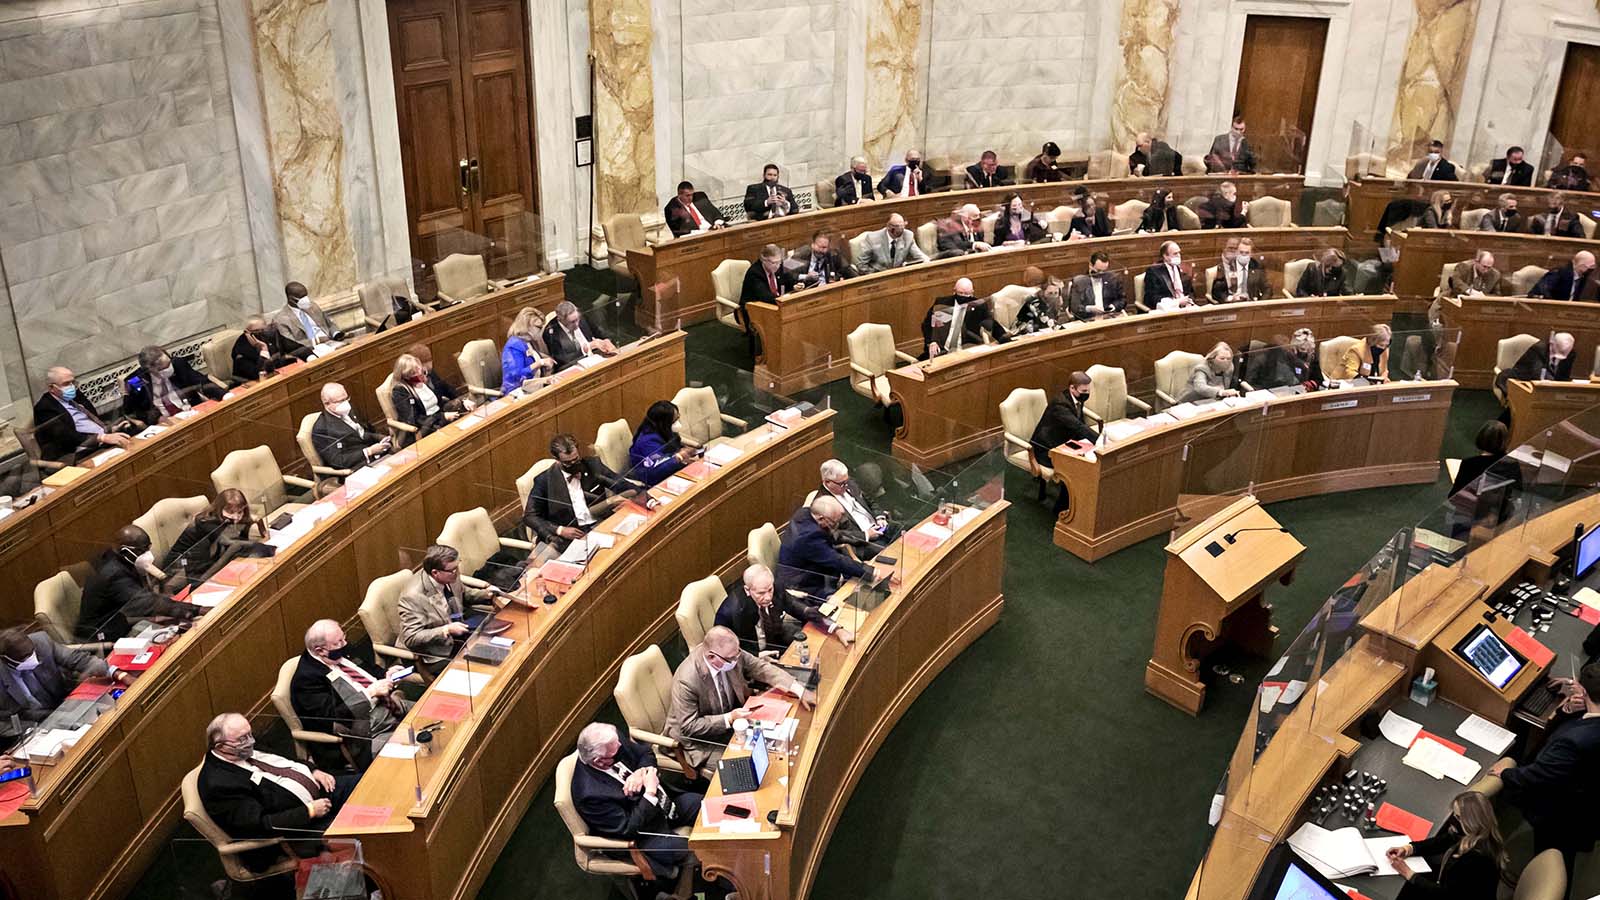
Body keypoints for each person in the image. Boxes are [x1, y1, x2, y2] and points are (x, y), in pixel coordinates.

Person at [197, 712, 358, 866]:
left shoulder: (244, 744)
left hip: (321, 789)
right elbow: (260, 825)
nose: (251, 740)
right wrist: (309, 811)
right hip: (299, 827)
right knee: (361, 832)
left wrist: (313, 770)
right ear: (221, 746)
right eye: (242, 738)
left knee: (367, 786)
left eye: (250, 734)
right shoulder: (219, 784)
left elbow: (286, 761)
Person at [1489, 661, 1600, 880]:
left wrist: (1505, 774)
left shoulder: (1575, 740)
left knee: (1554, 857)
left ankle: (1540, 882)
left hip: (1564, 812)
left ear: (1584, 692)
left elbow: (1537, 775)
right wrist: (1568, 710)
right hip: (1589, 801)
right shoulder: (1586, 728)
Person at [571, 722, 703, 887]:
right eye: (615, 753)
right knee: (696, 849)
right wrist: (650, 792)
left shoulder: (613, 742)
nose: (621, 748)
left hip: (664, 805)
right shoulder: (589, 795)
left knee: (705, 805)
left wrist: (641, 772)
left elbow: (645, 753)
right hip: (644, 835)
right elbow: (628, 828)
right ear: (599, 761)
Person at [666, 626, 815, 768]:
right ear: (711, 657)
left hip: (736, 720)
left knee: (777, 748)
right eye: (732, 659)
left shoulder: (730, 653)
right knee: (749, 766)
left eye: (738, 655)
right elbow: (690, 726)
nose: (736, 661)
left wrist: (799, 690)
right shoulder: (686, 680)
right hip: (701, 741)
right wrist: (729, 718)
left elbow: (760, 667)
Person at [292, 620, 411, 767]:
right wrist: (370, 693)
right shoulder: (306, 680)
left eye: (343, 638)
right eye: (338, 642)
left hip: (391, 705)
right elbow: (335, 715)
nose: (345, 643)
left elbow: (369, 670)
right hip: (369, 732)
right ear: (320, 651)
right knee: (414, 746)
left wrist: (387, 675)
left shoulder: (340, 649)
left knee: (432, 712)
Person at [77, 525, 201, 641]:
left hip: (121, 620)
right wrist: (196, 610)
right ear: (125, 551)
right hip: (104, 635)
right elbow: (147, 602)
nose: (148, 555)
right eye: (142, 551)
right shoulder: (113, 574)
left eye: (148, 548)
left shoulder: (119, 558)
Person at [523, 432, 641, 552]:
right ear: (557, 460)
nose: (573, 465)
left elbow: (621, 484)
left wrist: (647, 498)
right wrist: (560, 530)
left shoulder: (593, 466)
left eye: (576, 460)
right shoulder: (544, 481)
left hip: (600, 524)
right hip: (569, 537)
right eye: (568, 463)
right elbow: (530, 516)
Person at [0, 628, 121, 740]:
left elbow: (80, 659)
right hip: (35, 727)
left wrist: (116, 673)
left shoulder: (41, 642)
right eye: (25, 657)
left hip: (66, 705)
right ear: (5, 659)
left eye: (32, 652)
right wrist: (36, 730)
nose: (32, 657)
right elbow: (3, 724)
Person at [1385, 791, 1507, 900]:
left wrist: (1408, 873)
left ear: (1471, 822)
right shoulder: (1479, 835)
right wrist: (1409, 849)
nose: (1453, 820)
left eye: (1458, 817)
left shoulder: (1474, 859)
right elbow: (1443, 841)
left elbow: (1446, 895)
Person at [397, 544, 496, 674]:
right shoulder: (413, 596)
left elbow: (462, 593)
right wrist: (446, 630)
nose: (457, 572)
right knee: (478, 671)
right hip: (434, 653)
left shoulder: (449, 573)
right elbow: (412, 637)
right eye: (453, 570)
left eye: (457, 566)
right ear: (435, 573)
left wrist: (486, 594)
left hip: (459, 633)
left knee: (496, 648)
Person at [715, 563, 851, 654]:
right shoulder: (731, 611)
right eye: (761, 593)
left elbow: (802, 610)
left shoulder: (775, 588)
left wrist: (836, 628)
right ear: (747, 590)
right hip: (752, 658)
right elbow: (723, 649)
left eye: (770, 590)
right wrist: (756, 656)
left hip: (776, 643)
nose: (768, 597)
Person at [777, 495, 874, 601]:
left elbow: (834, 536)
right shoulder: (808, 537)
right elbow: (836, 560)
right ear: (821, 518)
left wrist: (863, 540)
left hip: (817, 573)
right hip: (804, 587)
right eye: (834, 522)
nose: (836, 525)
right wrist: (870, 572)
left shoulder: (807, 513)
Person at [32, 366, 133, 463]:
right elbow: (66, 437)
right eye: (66, 384)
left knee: (133, 435)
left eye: (73, 382)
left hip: (100, 438)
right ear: (51, 388)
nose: (72, 387)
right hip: (74, 450)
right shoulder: (44, 408)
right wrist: (101, 437)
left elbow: (93, 416)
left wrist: (109, 430)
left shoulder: (76, 394)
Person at [162, 488, 267, 580]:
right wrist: (263, 547)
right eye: (231, 512)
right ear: (220, 508)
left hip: (205, 558)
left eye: (239, 512)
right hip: (180, 566)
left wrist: (254, 523)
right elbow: (231, 543)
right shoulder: (206, 522)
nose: (236, 517)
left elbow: (241, 538)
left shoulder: (228, 519)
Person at [1029, 372, 1097, 511]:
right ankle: (1061, 510)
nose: (1087, 394)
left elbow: (1078, 423)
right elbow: (1077, 426)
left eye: (1088, 390)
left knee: (1086, 462)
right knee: (1073, 469)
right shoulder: (1060, 404)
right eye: (1084, 391)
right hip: (1045, 448)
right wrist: (1099, 439)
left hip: (1063, 441)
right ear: (1072, 388)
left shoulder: (1076, 398)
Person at [121, 345, 223, 425]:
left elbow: (201, 381)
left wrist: (223, 395)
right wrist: (156, 418)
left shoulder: (178, 363)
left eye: (169, 363)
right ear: (149, 369)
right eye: (163, 368)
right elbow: (132, 411)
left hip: (191, 412)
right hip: (164, 423)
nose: (170, 368)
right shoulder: (136, 381)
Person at [817, 458, 899, 555]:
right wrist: (866, 535)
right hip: (863, 542)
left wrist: (880, 517)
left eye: (847, 481)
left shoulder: (850, 483)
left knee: (908, 529)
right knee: (894, 553)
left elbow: (871, 501)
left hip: (878, 526)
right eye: (842, 484)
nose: (847, 486)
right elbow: (834, 534)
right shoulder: (822, 504)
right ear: (827, 482)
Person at [311, 382, 390, 473]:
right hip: (355, 468)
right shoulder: (322, 429)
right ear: (326, 403)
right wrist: (368, 451)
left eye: (346, 398)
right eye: (340, 401)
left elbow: (363, 433)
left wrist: (380, 438)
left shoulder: (349, 410)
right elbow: (337, 461)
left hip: (376, 457)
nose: (346, 403)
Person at [738, 243, 800, 358]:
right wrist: (784, 298)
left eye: (779, 262)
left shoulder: (777, 266)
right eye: (774, 263)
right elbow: (765, 297)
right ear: (764, 260)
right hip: (754, 309)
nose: (777, 266)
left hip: (776, 304)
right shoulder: (755, 273)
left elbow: (789, 280)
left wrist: (795, 286)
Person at [921, 277, 1009, 357]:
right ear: (954, 291)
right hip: (942, 349)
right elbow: (927, 324)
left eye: (966, 294)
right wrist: (932, 342)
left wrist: (1004, 337)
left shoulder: (979, 306)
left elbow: (990, 323)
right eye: (960, 293)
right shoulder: (941, 304)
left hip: (966, 348)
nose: (963, 296)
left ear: (972, 293)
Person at [391, 353, 458, 443]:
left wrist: (463, 401)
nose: (419, 373)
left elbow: (447, 390)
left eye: (418, 369)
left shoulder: (427, 377)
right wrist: (441, 417)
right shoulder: (400, 391)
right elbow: (414, 419)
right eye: (413, 373)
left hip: (440, 418)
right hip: (423, 428)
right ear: (405, 376)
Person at [628, 400, 696, 486]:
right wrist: (679, 457)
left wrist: (686, 453)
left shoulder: (665, 431)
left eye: (678, 418)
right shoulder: (647, 443)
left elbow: (673, 450)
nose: (678, 423)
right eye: (674, 421)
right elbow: (656, 471)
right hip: (654, 482)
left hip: (672, 474)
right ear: (664, 423)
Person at [543, 300, 618, 370]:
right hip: (574, 367)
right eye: (572, 322)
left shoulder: (582, 316)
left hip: (596, 358)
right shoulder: (551, 333)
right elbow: (563, 360)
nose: (577, 324)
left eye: (577, 319)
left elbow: (600, 333)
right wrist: (586, 348)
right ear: (560, 320)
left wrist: (607, 340)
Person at [231, 316, 308, 382]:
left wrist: (309, 356)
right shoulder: (241, 350)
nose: (261, 334)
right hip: (254, 383)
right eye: (256, 331)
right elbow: (258, 373)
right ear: (247, 332)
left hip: (278, 375)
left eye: (263, 330)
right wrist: (264, 350)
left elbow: (295, 348)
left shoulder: (269, 335)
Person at [498, 306, 556, 394]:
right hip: (517, 392)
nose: (540, 331)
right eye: (538, 327)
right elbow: (517, 376)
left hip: (533, 388)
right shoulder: (514, 345)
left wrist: (547, 367)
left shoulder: (529, 341)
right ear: (527, 326)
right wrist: (539, 363)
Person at [1449, 420, 1514, 497]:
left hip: (1473, 502)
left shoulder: (1470, 464)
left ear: (1481, 437)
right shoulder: (1512, 464)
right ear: (1505, 440)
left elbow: (1454, 495)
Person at [1496, 332, 1575, 395]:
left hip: (1550, 387)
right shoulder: (1539, 349)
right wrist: (1552, 384)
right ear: (1552, 344)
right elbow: (1537, 374)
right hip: (1523, 379)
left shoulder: (1571, 354)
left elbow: (1564, 376)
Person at [271, 282, 345, 348]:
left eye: (306, 296)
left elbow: (330, 324)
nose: (306, 300)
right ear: (291, 299)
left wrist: (336, 333)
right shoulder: (280, 319)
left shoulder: (313, 306)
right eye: (302, 297)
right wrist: (317, 340)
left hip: (331, 342)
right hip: (310, 350)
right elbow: (291, 345)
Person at [858, 213, 931, 273]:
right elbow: (861, 264)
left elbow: (920, 256)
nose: (901, 229)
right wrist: (874, 275)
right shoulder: (872, 238)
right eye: (897, 226)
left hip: (899, 275)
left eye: (903, 225)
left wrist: (928, 262)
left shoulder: (908, 235)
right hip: (879, 276)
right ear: (889, 227)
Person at [1179, 342, 1243, 402]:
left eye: (1228, 359)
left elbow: (1226, 387)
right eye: (1222, 358)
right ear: (1212, 358)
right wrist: (1221, 392)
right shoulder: (1202, 368)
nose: (1226, 361)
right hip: (1190, 402)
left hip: (1212, 402)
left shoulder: (1229, 368)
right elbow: (1200, 387)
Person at [1069, 252, 1126, 319]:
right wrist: (1089, 309)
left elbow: (1122, 300)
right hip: (1088, 319)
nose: (1101, 274)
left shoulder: (1113, 279)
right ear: (1090, 265)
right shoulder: (1079, 282)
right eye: (1098, 270)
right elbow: (1074, 308)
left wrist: (1113, 306)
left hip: (1109, 317)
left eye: (1104, 271)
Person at [1211, 237, 1267, 303]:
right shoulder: (1228, 265)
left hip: (1252, 304)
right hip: (1232, 304)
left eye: (1247, 253)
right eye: (1241, 252)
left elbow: (1267, 289)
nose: (1243, 255)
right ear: (1237, 252)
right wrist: (1230, 299)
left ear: (1251, 254)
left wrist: (1261, 304)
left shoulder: (1256, 266)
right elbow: (1217, 291)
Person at [789, 231, 856, 286]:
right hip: (807, 291)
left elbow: (848, 270)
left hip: (828, 290)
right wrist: (805, 276)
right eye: (819, 247)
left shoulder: (834, 254)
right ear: (813, 245)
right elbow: (787, 275)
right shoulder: (800, 255)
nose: (821, 250)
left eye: (824, 247)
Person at [1144, 241, 1196, 310]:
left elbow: (1190, 292)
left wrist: (1189, 301)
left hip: (1186, 307)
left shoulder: (1184, 269)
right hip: (1167, 309)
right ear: (1165, 256)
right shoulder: (1154, 271)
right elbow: (1152, 297)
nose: (1179, 256)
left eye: (1179, 253)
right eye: (1175, 254)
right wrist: (1177, 302)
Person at [1530, 251, 1600, 301]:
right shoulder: (1558, 273)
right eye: (1591, 267)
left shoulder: (1583, 277)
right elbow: (1541, 292)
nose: (1592, 270)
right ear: (1581, 266)